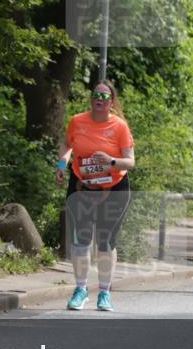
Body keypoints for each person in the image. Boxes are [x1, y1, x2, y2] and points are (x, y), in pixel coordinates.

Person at [56, 81, 135, 312]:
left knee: (106, 240)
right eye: (96, 95)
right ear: (91, 99)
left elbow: (130, 162)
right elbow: (67, 145)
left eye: (105, 96)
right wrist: (61, 164)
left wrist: (111, 162)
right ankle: (81, 290)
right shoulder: (77, 121)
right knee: (80, 237)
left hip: (114, 188)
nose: (100, 99)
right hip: (81, 186)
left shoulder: (120, 126)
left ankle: (104, 293)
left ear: (111, 102)